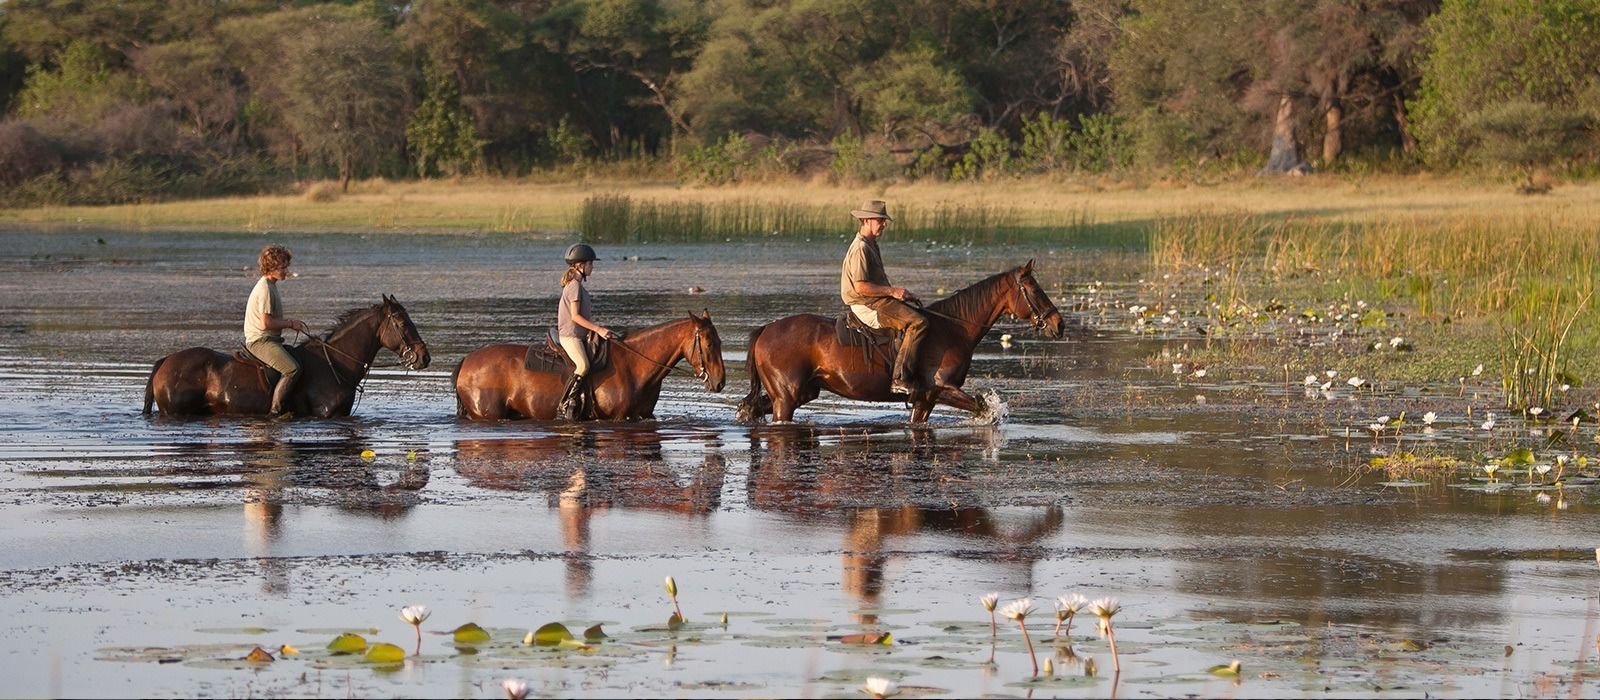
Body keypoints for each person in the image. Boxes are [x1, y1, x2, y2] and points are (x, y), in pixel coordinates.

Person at [840, 200, 928, 395]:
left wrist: (900, 295)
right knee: (918, 322)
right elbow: (861, 287)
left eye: (884, 220)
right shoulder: (861, 248)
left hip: (878, 300)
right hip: (867, 304)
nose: (884, 224)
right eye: (880, 220)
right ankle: (899, 378)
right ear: (867, 220)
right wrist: (893, 292)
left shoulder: (871, 244)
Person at [556, 243, 620, 420]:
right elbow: (575, 317)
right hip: (571, 336)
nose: (593, 267)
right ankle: (566, 403)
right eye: (591, 264)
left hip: (580, 334)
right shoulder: (574, 286)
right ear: (580, 265)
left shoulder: (578, 285)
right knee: (583, 366)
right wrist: (598, 329)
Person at [244, 245, 309, 419]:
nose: (286, 271)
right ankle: (275, 412)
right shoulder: (265, 289)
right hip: (260, 341)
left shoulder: (270, 285)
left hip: (270, 340)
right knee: (292, 369)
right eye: (282, 267)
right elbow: (265, 323)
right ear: (270, 268)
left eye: (286, 266)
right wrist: (290, 323)